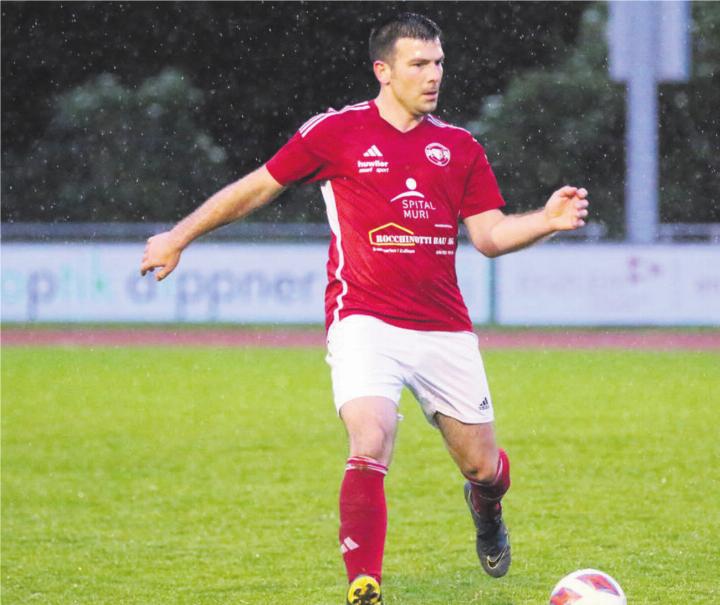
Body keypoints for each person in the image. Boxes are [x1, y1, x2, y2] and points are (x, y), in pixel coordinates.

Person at [140, 12, 590, 605]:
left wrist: (547, 223)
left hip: (442, 328)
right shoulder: (335, 133)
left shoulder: (458, 148)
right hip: (364, 320)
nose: (434, 76)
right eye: (419, 64)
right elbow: (257, 185)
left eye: (439, 64)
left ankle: (486, 509)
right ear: (383, 71)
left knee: (483, 467)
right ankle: (364, 586)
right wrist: (179, 236)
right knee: (370, 438)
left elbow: (489, 236)